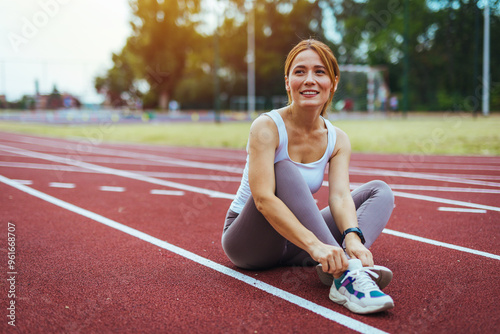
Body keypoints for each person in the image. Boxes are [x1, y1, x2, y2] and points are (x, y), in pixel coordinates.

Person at [221, 39, 395, 314]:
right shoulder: (266, 127)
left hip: (296, 242)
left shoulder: (338, 139)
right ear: (288, 81)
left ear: (333, 82)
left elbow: (339, 197)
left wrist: (352, 236)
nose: (309, 80)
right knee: (284, 169)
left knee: (380, 191)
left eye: (319, 72)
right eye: (300, 72)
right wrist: (316, 245)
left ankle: (338, 263)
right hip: (250, 242)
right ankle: (347, 275)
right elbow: (264, 199)